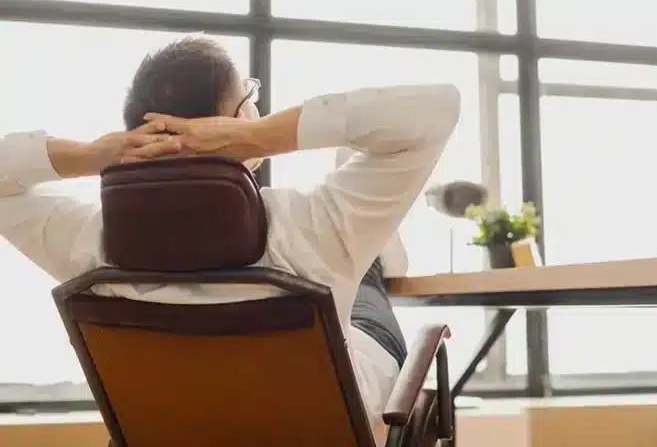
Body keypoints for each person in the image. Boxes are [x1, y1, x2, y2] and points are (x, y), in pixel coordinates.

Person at [0, 36, 459, 442]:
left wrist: (93, 155)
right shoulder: (312, 223)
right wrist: (261, 136)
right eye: (249, 98)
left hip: (184, 431)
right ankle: (377, 255)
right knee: (367, 281)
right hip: (336, 418)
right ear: (228, 122)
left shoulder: (91, 244)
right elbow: (439, 106)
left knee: (359, 260)